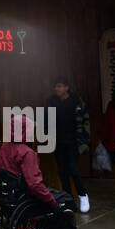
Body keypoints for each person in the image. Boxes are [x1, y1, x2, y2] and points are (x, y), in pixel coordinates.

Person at [0, 114, 82, 229]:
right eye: (30, 130)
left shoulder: (5, 147)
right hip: (26, 197)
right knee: (65, 201)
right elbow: (35, 185)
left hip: (9, 195)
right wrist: (51, 200)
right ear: (25, 131)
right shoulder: (27, 153)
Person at [49, 78, 90, 212]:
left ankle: (83, 195)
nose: (57, 89)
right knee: (62, 171)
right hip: (58, 141)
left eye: (60, 86)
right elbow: (47, 118)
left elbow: (85, 121)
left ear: (66, 87)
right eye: (56, 86)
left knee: (73, 169)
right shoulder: (52, 101)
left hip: (73, 141)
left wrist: (84, 141)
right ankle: (68, 200)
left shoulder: (76, 101)